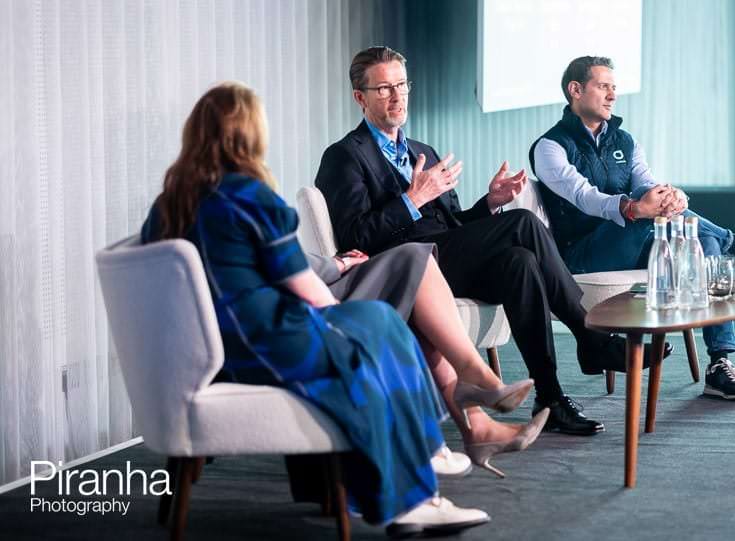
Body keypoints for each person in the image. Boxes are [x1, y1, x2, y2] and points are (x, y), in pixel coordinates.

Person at [140, 81, 490, 536]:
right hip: (269, 340)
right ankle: (421, 468)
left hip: (214, 350)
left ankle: (420, 469)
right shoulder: (250, 196)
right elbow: (307, 289)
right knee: (376, 321)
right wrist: (341, 316)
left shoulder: (168, 206)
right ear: (250, 135)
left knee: (376, 321)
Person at [315, 46, 671, 437]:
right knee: (522, 222)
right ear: (360, 97)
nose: (397, 96)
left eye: (401, 85)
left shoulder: (422, 151)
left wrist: (490, 203)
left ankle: (550, 399)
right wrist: (413, 199)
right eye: (383, 88)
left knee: (520, 261)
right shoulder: (344, 156)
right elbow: (353, 237)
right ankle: (591, 336)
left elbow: (454, 224)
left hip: (447, 259)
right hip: (408, 270)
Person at [529, 56, 735, 401]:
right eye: (603, 86)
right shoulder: (550, 147)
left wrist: (671, 198)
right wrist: (633, 209)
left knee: (703, 242)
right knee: (653, 220)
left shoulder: (625, 141)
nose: (612, 95)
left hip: (634, 240)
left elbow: (647, 183)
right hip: (581, 255)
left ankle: (719, 363)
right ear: (575, 90)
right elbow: (585, 197)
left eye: (614, 87)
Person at [304, 246, 547, 477]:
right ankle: (476, 397)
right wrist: (338, 263)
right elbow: (275, 260)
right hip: (304, 296)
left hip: (311, 281)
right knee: (413, 258)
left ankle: (480, 422)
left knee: (416, 281)